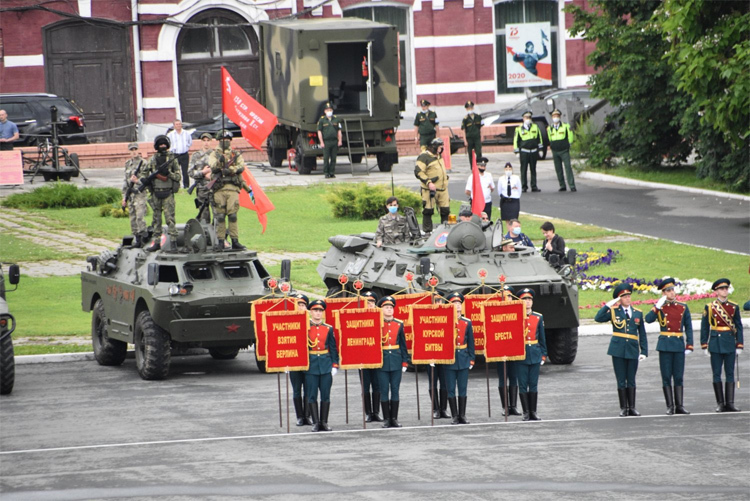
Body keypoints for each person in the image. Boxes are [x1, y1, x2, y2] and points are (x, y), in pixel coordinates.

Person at [595, 283, 648, 417]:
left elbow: (642, 333)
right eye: (624, 297)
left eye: (629, 296)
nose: (628, 299)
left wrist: (644, 351)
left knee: (631, 379)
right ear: (619, 299)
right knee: (621, 379)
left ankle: (632, 407)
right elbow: (598, 318)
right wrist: (609, 305)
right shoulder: (614, 311)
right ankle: (623, 408)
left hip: (632, 349)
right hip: (618, 349)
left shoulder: (637, 312)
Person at [644, 278, 693, 415]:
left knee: (678, 376)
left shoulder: (683, 307)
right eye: (668, 291)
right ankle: (670, 406)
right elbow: (648, 319)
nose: (671, 292)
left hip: (678, 344)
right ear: (663, 293)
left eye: (672, 290)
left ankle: (679, 405)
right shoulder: (660, 307)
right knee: (666, 376)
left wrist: (689, 344)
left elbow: (688, 327)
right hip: (665, 344)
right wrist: (656, 307)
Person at [700, 278, 743, 413]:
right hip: (716, 343)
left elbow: (738, 326)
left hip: (729, 342)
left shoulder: (734, 307)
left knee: (730, 373)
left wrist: (739, 344)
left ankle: (730, 403)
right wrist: (704, 344)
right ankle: (720, 403)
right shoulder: (710, 307)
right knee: (716, 374)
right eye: (722, 289)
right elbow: (704, 327)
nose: (725, 291)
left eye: (726, 288)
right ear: (716, 291)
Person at [208, 129, 246, 251]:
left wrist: (230, 169)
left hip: (232, 188)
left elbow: (241, 167)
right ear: (219, 140)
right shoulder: (214, 154)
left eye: (228, 140)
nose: (226, 142)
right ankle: (221, 241)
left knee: (233, 215)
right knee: (220, 216)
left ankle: (235, 240)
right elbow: (213, 167)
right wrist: (220, 162)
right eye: (223, 139)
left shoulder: (235, 154)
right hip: (219, 188)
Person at [306, 299, 339, 432]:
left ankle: (324, 422)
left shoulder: (328, 328)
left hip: (325, 365)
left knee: (326, 395)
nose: (318, 313)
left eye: (320, 311)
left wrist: (335, 364)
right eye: (315, 310)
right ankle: (315, 422)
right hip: (311, 365)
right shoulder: (305, 327)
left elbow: (333, 347)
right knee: (312, 395)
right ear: (311, 312)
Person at [376, 295, 409, 428]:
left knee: (395, 389)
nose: (389, 309)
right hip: (382, 361)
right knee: (384, 390)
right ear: (381, 309)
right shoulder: (377, 323)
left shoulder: (399, 324)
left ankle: (394, 418)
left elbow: (403, 344)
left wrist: (405, 361)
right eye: (386, 307)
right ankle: (386, 419)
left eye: (391, 307)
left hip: (396, 360)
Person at [144, 135, 181, 253]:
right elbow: (145, 174)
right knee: (156, 219)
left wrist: (169, 173)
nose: (163, 146)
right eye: (160, 145)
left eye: (164, 144)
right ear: (156, 146)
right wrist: (145, 181)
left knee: (170, 219)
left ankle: (173, 243)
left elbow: (178, 176)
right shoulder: (152, 160)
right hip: (156, 193)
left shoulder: (172, 159)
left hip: (168, 193)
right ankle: (156, 242)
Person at [443, 292, 475, 424]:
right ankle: (454, 416)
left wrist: (472, 358)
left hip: (463, 358)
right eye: (454, 303)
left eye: (458, 303)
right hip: (449, 359)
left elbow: (471, 342)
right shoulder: (445, 321)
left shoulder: (467, 322)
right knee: (450, 389)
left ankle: (462, 415)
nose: (457, 305)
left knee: (462, 388)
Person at [516, 288, 547, 421]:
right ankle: (526, 412)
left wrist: (543, 354)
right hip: (521, 354)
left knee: (533, 384)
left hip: (535, 353)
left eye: (529, 299)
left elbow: (542, 338)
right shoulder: (516, 317)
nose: (527, 302)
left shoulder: (538, 317)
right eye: (524, 299)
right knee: (523, 384)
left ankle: (533, 411)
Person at [414, 138, 450, 233]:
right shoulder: (424, 157)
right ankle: (427, 232)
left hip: (443, 189)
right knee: (428, 211)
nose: (441, 149)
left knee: (445, 210)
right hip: (429, 190)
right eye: (440, 147)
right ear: (433, 147)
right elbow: (418, 172)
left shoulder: (439, 156)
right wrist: (429, 182)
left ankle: (445, 231)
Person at [497, 285, 521, 416]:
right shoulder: (495, 313)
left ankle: (513, 406)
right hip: (500, 351)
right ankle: (505, 407)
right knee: (502, 378)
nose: (507, 299)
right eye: (504, 296)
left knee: (514, 377)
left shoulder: (518, 311)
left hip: (514, 349)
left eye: (509, 296)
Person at [360, 291, 383, 423]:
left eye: (372, 302)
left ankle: (376, 412)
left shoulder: (380, 318)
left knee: (377, 386)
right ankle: (368, 413)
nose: (370, 305)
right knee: (365, 387)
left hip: (377, 357)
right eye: (367, 302)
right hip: (363, 358)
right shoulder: (358, 319)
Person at [121, 142, 148, 248]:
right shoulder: (128, 163)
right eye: (132, 150)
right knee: (132, 217)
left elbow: (146, 179)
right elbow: (125, 181)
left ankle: (143, 239)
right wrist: (124, 197)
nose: (134, 152)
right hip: (131, 194)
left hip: (140, 194)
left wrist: (137, 181)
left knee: (140, 217)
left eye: (135, 149)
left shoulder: (143, 163)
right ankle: (137, 239)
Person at [292, 294, 312, 426]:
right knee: (297, 389)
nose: (300, 307)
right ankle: (299, 416)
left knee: (309, 389)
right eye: (298, 305)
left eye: (303, 305)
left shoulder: (311, 323)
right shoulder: (289, 323)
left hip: (309, 361)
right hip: (294, 361)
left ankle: (307, 416)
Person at [547, 109, 576, 192]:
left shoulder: (565, 126)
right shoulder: (550, 128)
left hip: (564, 150)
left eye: (557, 116)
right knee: (558, 169)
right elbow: (550, 138)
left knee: (568, 167)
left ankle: (572, 185)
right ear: (552, 117)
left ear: (559, 117)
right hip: (555, 150)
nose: (555, 117)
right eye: (554, 116)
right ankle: (562, 185)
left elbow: (570, 136)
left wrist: (569, 144)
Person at [188, 132, 215, 223]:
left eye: (208, 140)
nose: (206, 143)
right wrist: (202, 173)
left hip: (214, 188)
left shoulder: (216, 155)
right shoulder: (196, 155)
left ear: (211, 142)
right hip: (202, 188)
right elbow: (190, 172)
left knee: (217, 215)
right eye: (204, 141)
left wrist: (211, 175)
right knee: (203, 215)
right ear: (201, 142)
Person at [513, 112, 543, 193]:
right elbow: (516, 141)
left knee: (533, 169)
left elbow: (539, 138)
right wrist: (516, 151)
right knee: (523, 169)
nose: (528, 119)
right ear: (523, 118)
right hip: (524, 152)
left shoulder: (535, 127)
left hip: (533, 151)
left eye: (529, 118)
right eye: (526, 118)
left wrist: (540, 149)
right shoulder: (519, 129)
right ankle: (524, 186)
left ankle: (534, 186)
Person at [316, 102, 342, 179]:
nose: (329, 111)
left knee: (333, 158)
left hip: (334, 141)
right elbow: (319, 131)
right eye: (327, 110)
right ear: (325, 111)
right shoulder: (322, 120)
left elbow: (339, 131)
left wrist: (340, 140)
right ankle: (326, 172)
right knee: (326, 158)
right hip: (326, 141)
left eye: (330, 110)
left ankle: (332, 172)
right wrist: (321, 142)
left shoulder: (336, 119)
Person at [167, 119, 193, 189]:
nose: (178, 125)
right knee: (175, 171)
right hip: (175, 155)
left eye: (179, 124)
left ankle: (186, 186)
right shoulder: (170, 135)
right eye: (177, 124)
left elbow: (190, 142)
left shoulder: (186, 133)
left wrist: (186, 147)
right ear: (174, 126)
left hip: (184, 154)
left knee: (185, 171)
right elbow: (168, 144)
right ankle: (175, 186)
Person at [461, 101, 483, 165]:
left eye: (471, 107)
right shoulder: (465, 119)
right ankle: (472, 167)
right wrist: (465, 140)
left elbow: (481, 127)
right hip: (469, 138)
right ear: (466, 109)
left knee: (478, 152)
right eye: (468, 108)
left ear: (473, 108)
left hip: (477, 137)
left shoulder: (478, 117)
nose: (470, 109)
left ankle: (479, 166)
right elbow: (463, 130)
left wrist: (482, 136)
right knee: (470, 154)